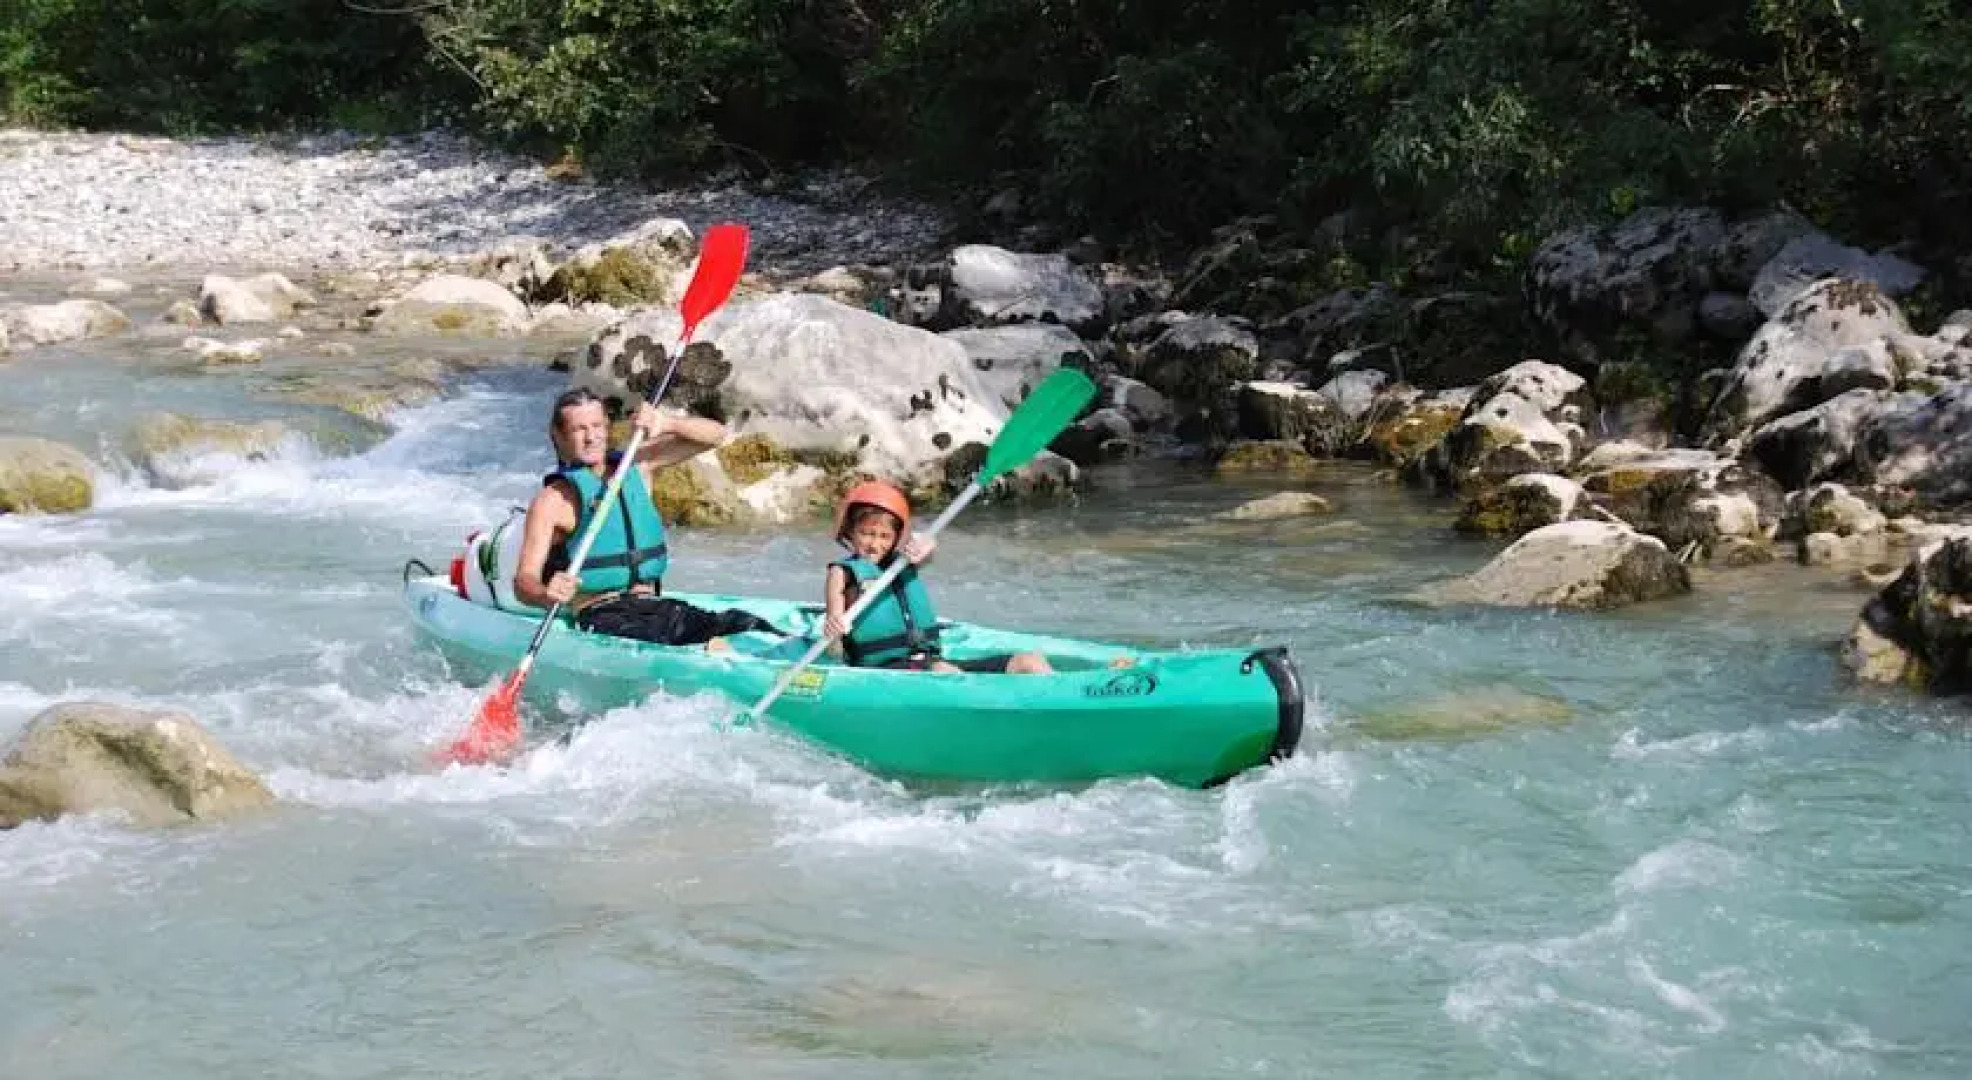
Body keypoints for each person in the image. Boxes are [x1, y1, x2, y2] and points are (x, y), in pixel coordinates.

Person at [513, 387, 774, 648]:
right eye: (579, 429)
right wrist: (546, 593)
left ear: (607, 427)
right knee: (668, 639)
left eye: (596, 426)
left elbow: (716, 435)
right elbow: (524, 582)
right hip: (603, 615)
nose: (591, 437)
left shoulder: (638, 466)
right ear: (559, 436)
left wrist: (666, 423)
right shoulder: (553, 500)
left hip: (655, 606)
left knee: (744, 625)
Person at [822, 480, 1054, 674]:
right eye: (866, 534)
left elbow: (927, 552)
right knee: (942, 671)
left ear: (896, 537)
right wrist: (834, 628)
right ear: (849, 531)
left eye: (884, 536)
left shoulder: (904, 561)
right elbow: (834, 624)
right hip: (884, 668)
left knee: (1030, 661)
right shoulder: (841, 572)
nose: (875, 544)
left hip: (927, 660)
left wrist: (927, 544)